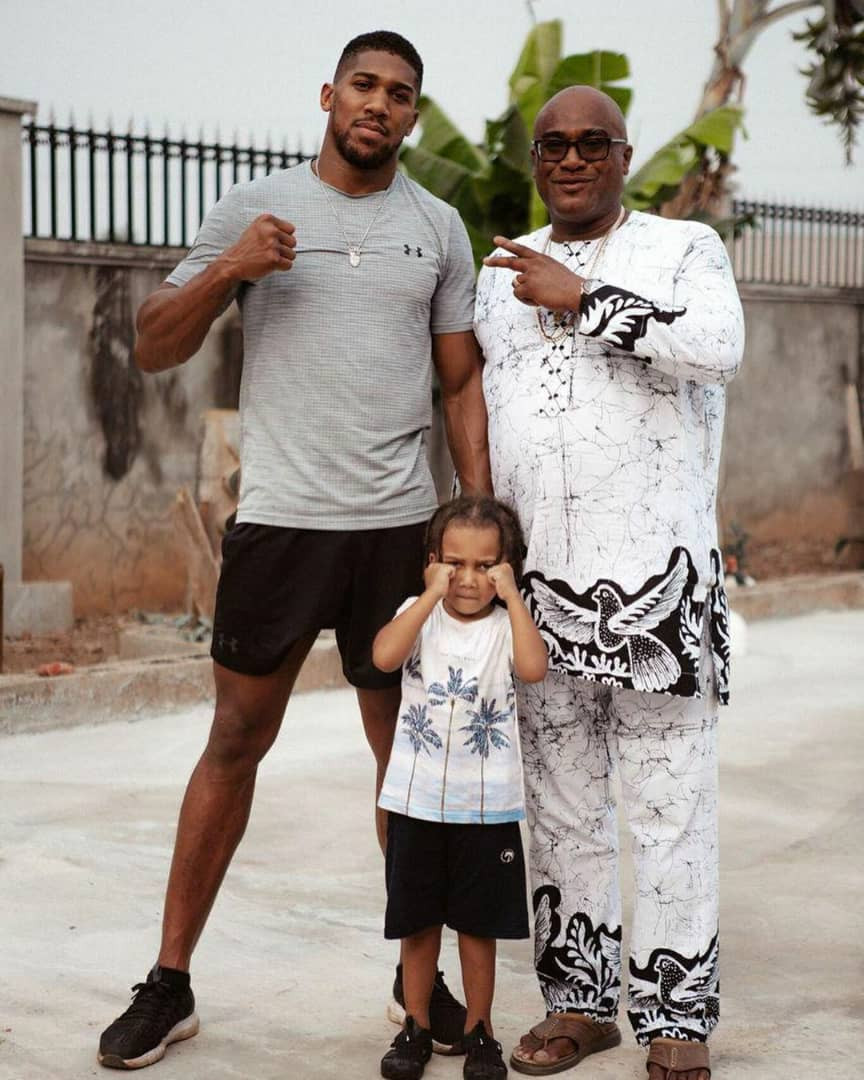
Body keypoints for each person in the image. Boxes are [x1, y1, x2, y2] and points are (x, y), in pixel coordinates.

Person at [98, 30, 491, 1071]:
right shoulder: (252, 209)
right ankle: (170, 981)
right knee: (235, 741)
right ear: (330, 93)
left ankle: (421, 985)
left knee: (403, 764)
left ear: (414, 115)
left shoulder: (438, 228)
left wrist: (479, 516)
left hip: (399, 531)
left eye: (400, 94)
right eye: (364, 84)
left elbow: (458, 381)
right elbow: (150, 343)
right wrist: (233, 267)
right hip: (282, 522)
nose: (379, 104)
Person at [474, 87, 745, 1080]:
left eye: (594, 143)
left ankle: (676, 1012)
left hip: (657, 590)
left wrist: (581, 299)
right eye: (555, 145)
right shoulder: (495, 274)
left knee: (670, 801)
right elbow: (478, 400)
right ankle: (581, 1004)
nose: (574, 158)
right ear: (534, 159)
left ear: (626, 155)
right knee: (559, 804)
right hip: (540, 590)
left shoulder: (685, 250)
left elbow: (716, 351)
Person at [373, 496, 548, 1080]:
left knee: (477, 928)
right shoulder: (418, 615)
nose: (468, 579)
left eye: (484, 566)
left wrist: (514, 595)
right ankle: (415, 1027)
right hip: (417, 803)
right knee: (418, 924)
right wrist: (428, 594)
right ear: (433, 562)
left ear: (504, 568)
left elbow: (532, 667)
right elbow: (383, 654)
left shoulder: (506, 627)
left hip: (486, 809)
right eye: (455, 564)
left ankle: (480, 1031)